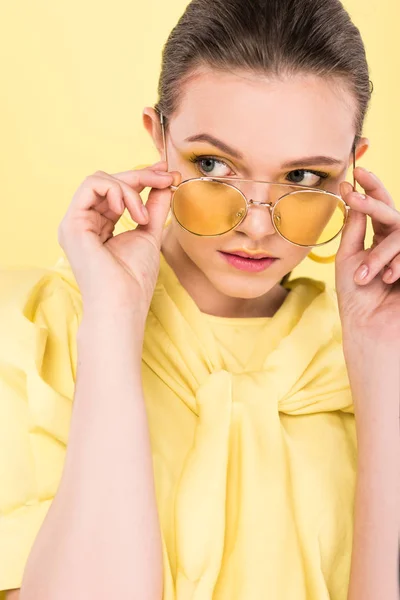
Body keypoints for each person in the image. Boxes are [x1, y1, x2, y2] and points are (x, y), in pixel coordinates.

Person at [0, 0, 399, 598]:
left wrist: (381, 367)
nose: (257, 227)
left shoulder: (378, 348)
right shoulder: (30, 333)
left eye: (303, 178)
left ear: (351, 170)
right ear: (158, 138)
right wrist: (113, 320)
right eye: (212, 165)